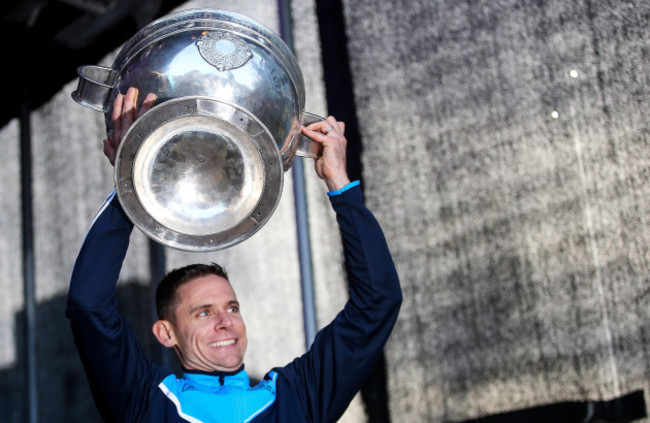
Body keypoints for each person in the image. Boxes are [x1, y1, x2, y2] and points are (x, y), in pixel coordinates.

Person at [66, 87, 402, 422]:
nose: (226, 323)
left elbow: (378, 302)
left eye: (232, 308)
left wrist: (339, 182)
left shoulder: (298, 395)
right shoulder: (144, 400)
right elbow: (88, 305)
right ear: (166, 333)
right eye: (203, 313)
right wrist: (132, 173)